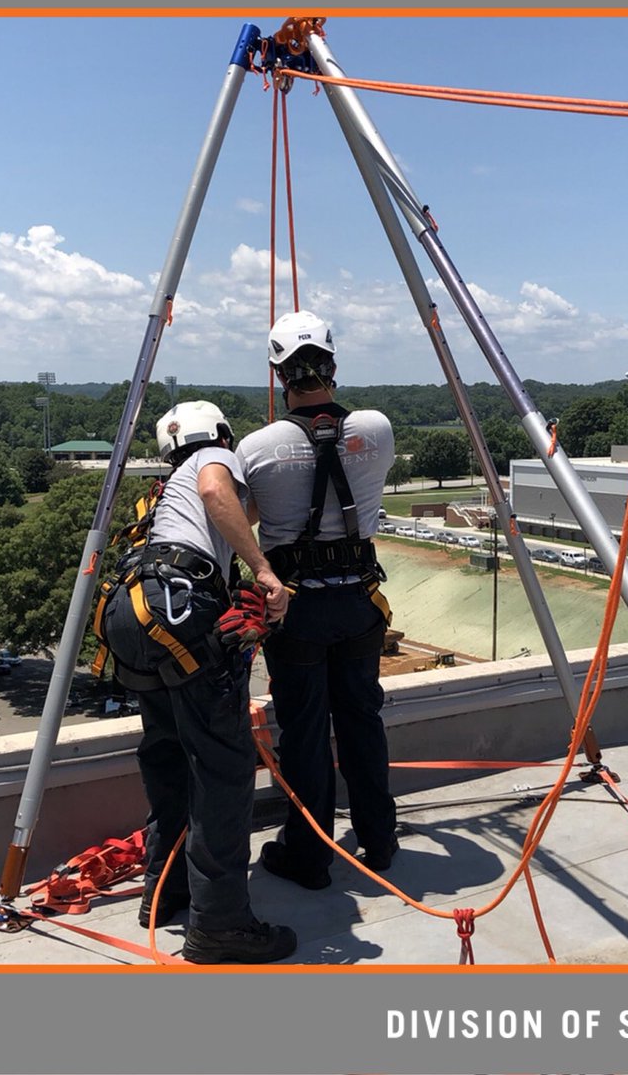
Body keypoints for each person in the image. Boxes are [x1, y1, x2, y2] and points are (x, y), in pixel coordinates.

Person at [97, 400, 296, 964]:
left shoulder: (164, 494)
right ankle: (222, 925)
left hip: (138, 615)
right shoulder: (212, 459)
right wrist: (263, 569)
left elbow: (224, 509)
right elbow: (218, 493)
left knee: (166, 752)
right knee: (224, 769)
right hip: (181, 606)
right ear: (222, 437)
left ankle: (165, 893)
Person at [236, 311, 398, 890]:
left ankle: (309, 854)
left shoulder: (259, 446)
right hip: (358, 603)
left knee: (304, 732)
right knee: (362, 719)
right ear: (332, 364)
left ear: (279, 373)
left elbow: (248, 514)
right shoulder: (377, 429)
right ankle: (379, 840)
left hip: (295, 611)